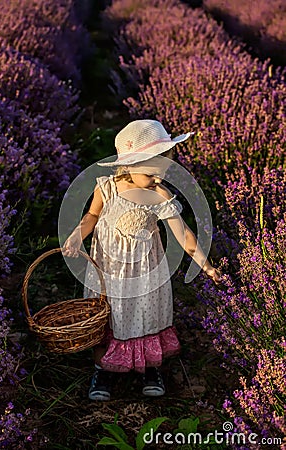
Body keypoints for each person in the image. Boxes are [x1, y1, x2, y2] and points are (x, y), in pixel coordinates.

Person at [62, 119, 221, 401]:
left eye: (162, 173)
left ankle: (151, 367)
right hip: (109, 270)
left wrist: (204, 265)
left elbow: (182, 233)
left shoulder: (159, 195)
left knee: (146, 316)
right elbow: (92, 217)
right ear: (130, 166)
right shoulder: (107, 188)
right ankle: (103, 369)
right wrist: (77, 235)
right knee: (108, 315)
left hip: (146, 272)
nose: (158, 180)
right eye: (151, 174)